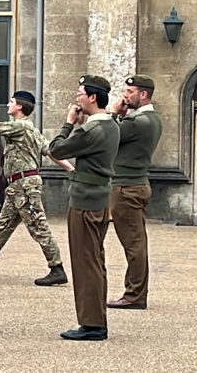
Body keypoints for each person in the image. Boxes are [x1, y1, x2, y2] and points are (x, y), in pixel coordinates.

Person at [0, 91, 74, 285]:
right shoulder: (31, 130)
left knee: (38, 226)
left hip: (25, 186)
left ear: (19, 107)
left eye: (11, 102)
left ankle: (57, 268)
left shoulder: (20, 127)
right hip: (17, 187)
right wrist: (70, 168)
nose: (7, 104)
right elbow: (50, 151)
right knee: (2, 227)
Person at [49, 75, 120, 341]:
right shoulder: (111, 125)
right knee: (95, 261)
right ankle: (94, 318)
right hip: (99, 198)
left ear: (92, 97)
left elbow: (56, 149)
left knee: (85, 262)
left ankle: (92, 324)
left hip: (85, 202)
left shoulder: (91, 129)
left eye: (80, 93)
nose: (76, 97)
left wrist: (69, 123)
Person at [106, 75, 162, 310]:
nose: (125, 96)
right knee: (135, 242)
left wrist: (113, 113)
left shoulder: (139, 121)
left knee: (134, 243)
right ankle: (135, 292)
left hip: (127, 187)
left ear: (143, 94)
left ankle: (134, 295)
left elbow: (106, 134)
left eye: (129, 91)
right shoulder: (150, 118)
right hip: (133, 184)